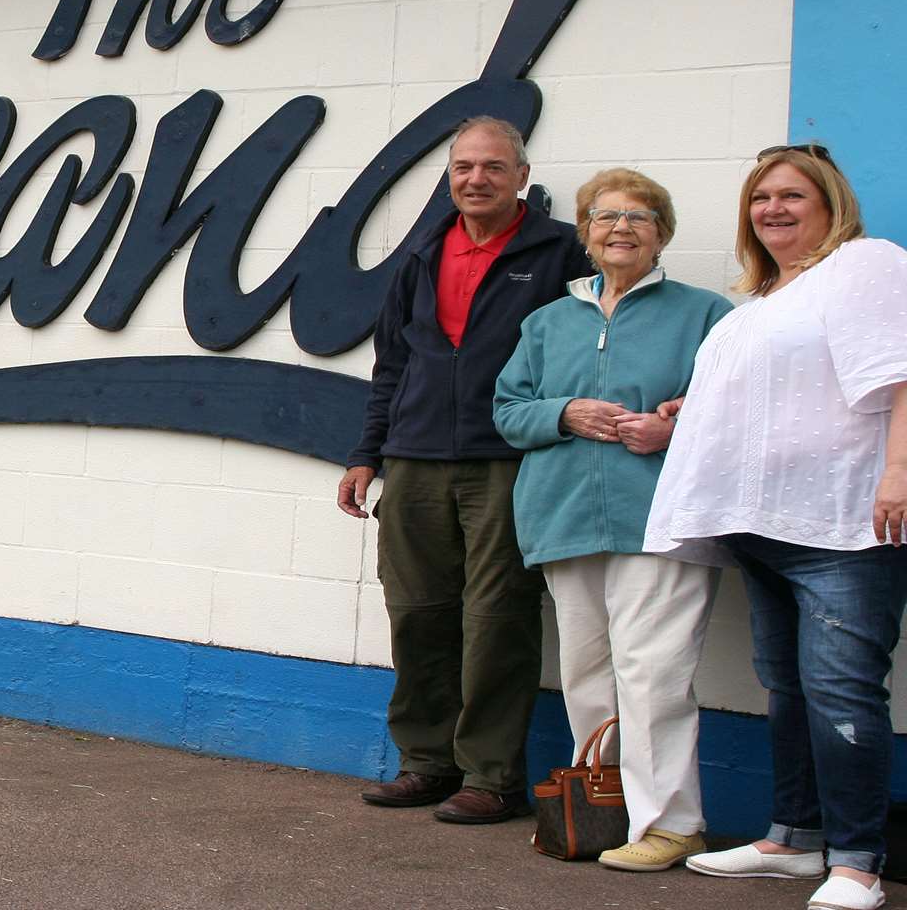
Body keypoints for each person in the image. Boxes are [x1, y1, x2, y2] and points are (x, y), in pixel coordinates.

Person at [645, 145, 907, 910]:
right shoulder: (760, 303)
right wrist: (694, 414)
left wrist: (899, 473)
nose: (774, 209)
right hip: (761, 525)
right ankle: (795, 838)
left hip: (841, 523)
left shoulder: (864, 264)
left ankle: (858, 862)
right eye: (761, 198)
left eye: (793, 195)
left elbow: (900, 371)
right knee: (789, 690)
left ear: (831, 204)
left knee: (842, 693)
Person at [337, 116, 593, 823]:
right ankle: (425, 762)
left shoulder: (560, 252)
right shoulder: (421, 253)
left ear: (522, 177)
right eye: (463, 168)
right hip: (413, 458)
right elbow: (392, 363)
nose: (476, 180)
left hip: (508, 459)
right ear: (450, 177)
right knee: (416, 614)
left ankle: (492, 776)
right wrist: (367, 453)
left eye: (493, 167)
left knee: (497, 619)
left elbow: (588, 346)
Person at [493, 169, 734, 869]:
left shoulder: (705, 314)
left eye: (639, 216)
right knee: (589, 675)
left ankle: (672, 823)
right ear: (586, 234)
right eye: (605, 217)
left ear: (662, 234)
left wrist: (671, 432)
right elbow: (508, 412)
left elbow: (732, 412)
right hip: (564, 520)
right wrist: (562, 413)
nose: (621, 228)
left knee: (652, 673)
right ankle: (602, 814)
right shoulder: (547, 321)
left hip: (659, 521)